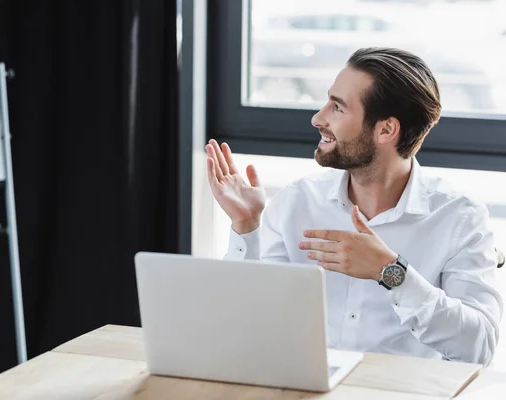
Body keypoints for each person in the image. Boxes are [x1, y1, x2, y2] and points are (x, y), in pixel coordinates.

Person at [205, 47, 503, 366]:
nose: (318, 118)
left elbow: (479, 346)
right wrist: (247, 226)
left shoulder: (460, 219)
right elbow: (249, 318)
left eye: (338, 108)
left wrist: (392, 273)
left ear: (386, 130)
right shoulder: (297, 201)